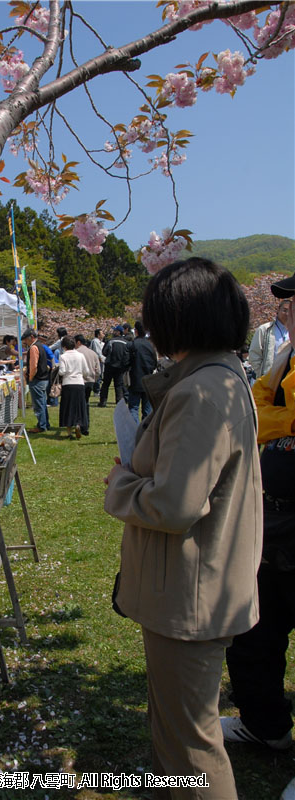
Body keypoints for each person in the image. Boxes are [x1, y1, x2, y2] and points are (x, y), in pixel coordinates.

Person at [104, 258, 262, 799]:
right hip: (196, 585)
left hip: (192, 594)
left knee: (192, 745)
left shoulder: (201, 392)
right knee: (175, 726)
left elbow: (174, 504)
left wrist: (120, 485)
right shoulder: (216, 376)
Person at [222, 282, 294, 753]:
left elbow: (264, 411)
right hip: (278, 517)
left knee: (262, 622)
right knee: (259, 626)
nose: (290, 309)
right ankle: (266, 723)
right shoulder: (286, 353)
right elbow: (257, 402)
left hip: (286, 514)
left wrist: (275, 419)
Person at [249, 278, 293, 378]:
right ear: (278, 310)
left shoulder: (292, 330)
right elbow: (254, 354)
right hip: (269, 377)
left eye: (289, 311)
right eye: (284, 310)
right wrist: (262, 373)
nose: (286, 314)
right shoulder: (265, 329)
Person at [58, 336, 88, 439]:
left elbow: (62, 372)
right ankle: (78, 424)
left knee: (67, 407)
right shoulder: (81, 355)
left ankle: (69, 433)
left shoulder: (63, 356)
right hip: (79, 383)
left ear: (64, 346)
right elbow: (86, 371)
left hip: (68, 383)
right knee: (79, 406)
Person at [126, 320, 157, 422]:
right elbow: (154, 363)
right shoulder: (151, 346)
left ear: (136, 331)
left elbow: (126, 362)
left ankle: (135, 431)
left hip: (135, 379)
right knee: (147, 410)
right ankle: (145, 432)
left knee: (133, 408)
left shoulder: (132, 345)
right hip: (148, 380)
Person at [22, 327, 50, 433]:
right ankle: (45, 423)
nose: (25, 342)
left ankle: (41, 425)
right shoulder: (41, 346)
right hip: (43, 379)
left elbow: (33, 365)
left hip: (37, 379)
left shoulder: (33, 348)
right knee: (42, 403)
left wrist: (30, 377)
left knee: (38, 404)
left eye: (26, 339)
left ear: (31, 337)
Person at [74, 334, 100, 435]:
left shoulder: (76, 353)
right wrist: (94, 379)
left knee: (78, 404)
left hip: (79, 381)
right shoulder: (93, 353)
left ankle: (79, 423)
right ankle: (86, 424)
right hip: (90, 381)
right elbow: (98, 370)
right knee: (86, 402)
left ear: (78, 342)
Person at [98, 326, 129, 408]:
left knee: (105, 384)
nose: (113, 332)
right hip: (120, 367)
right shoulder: (126, 343)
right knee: (119, 385)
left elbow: (104, 352)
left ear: (118, 332)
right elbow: (127, 355)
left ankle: (103, 401)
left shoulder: (110, 341)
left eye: (115, 331)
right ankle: (119, 402)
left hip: (110, 365)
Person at [90, 328, 105, 395]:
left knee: (99, 376)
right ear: (98, 335)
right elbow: (98, 352)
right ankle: (96, 390)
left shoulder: (100, 342)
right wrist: (102, 359)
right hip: (97, 361)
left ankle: (97, 390)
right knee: (97, 375)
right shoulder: (95, 341)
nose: (103, 334)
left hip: (100, 361)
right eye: (102, 333)